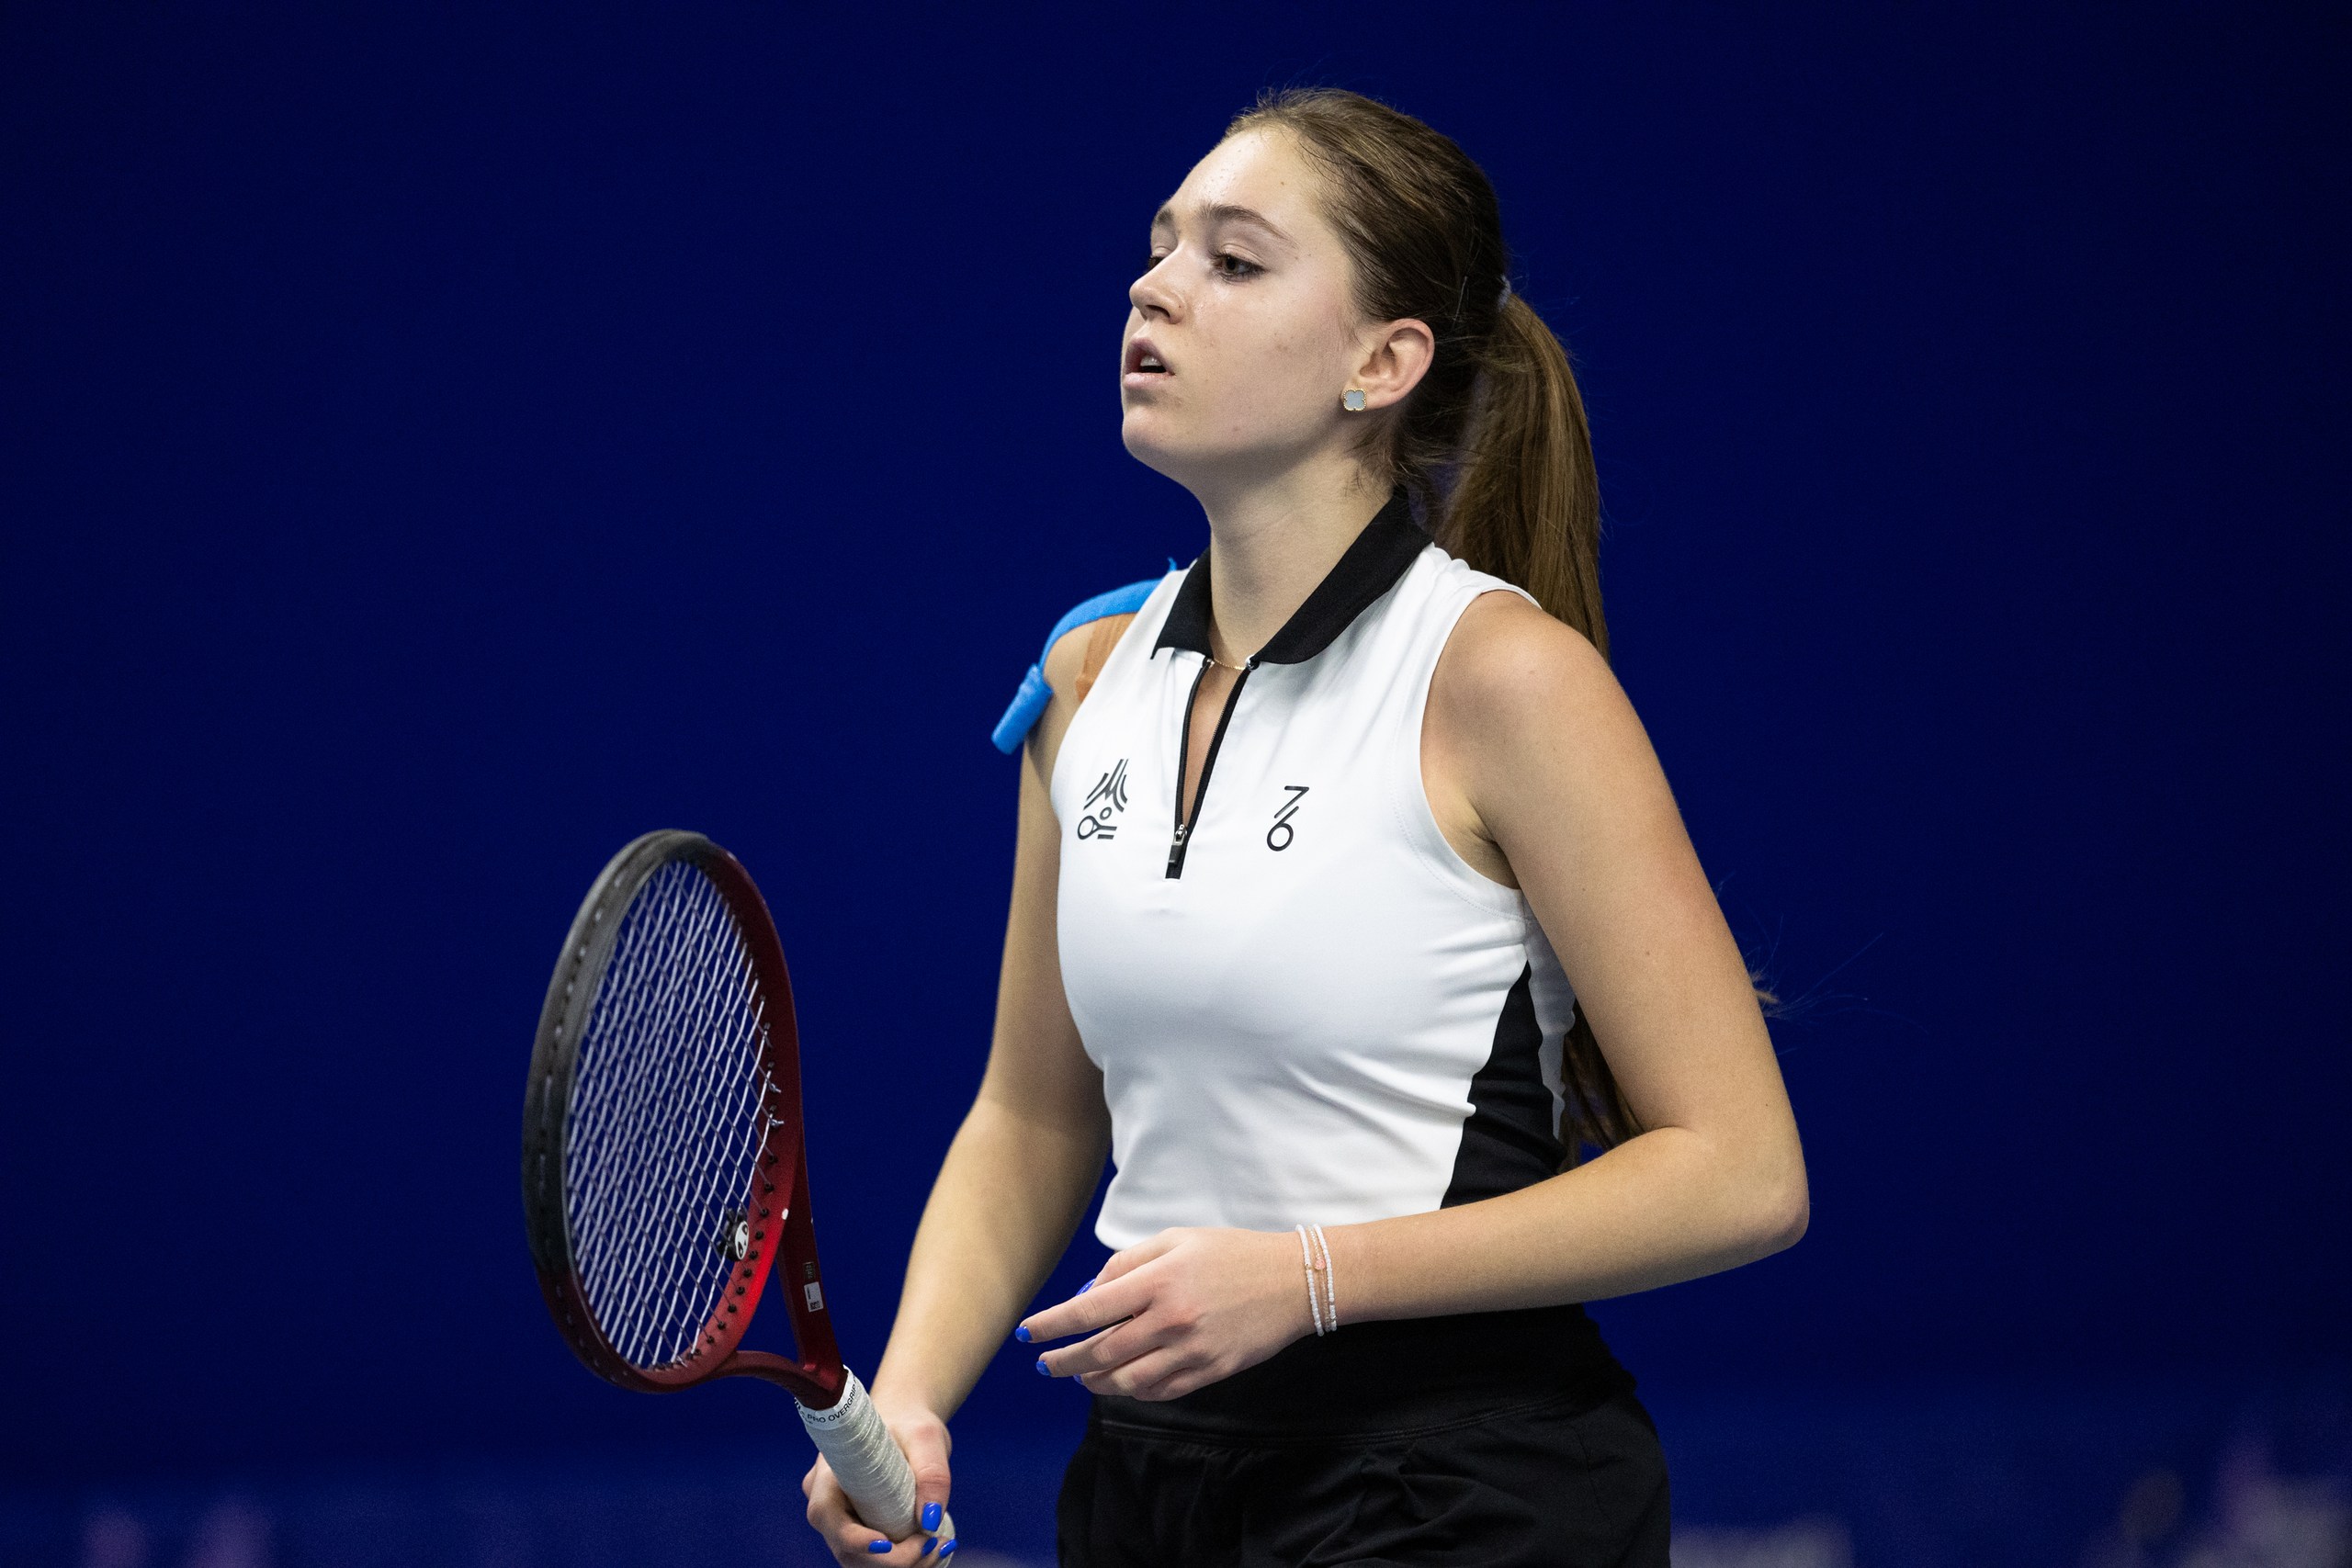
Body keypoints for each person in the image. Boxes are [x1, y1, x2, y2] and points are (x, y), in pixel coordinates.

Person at [802, 86, 1808, 1567]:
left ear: (1381, 363)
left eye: (1233, 260)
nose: (1153, 288)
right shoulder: (1084, 681)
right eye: (1160, 246)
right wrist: (910, 1398)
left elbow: (1742, 1169)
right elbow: (1034, 1117)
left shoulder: (1504, 682)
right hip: (1152, 1491)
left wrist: (1313, 1279)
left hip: (1462, 1485)